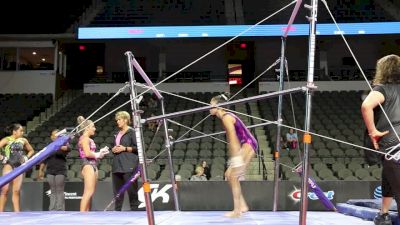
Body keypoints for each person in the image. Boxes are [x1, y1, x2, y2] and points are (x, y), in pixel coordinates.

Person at [361, 54, 400, 225]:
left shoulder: (383, 88)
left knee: (397, 185)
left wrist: (373, 131)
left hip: (393, 144)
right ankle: (383, 213)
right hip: (394, 147)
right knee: (388, 177)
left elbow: (366, 105)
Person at [210, 93, 258, 218]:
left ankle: (237, 211)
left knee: (233, 175)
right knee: (228, 175)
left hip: (248, 144)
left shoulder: (226, 117)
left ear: (218, 106)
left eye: (211, 105)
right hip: (246, 144)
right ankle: (242, 206)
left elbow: (233, 138)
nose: (209, 108)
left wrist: (235, 156)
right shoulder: (225, 117)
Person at [77, 116, 109, 212]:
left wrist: (100, 153)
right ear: (87, 128)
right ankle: (82, 215)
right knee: (88, 192)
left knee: (91, 192)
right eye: (93, 126)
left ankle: (87, 215)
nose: (95, 128)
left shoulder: (89, 139)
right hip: (87, 164)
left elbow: (93, 154)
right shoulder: (84, 138)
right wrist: (97, 154)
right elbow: (87, 154)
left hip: (93, 164)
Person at [0, 123, 35, 212]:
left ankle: (17, 214)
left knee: (16, 191)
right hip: (8, 166)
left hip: (19, 168)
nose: (22, 132)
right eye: (21, 130)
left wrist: (26, 157)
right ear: (14, 131)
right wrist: (2, 157)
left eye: (23, 131)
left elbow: (31, 150)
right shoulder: (6, 139)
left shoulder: (23, 140)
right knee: (5, 191)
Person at [111, 111, 139, 211]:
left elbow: (138, 148)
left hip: (129, 165)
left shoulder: (132, 132)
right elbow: (113, 147)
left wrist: (125, 148)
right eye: (117, 120)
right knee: (117, 193)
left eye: (119, 119)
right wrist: (113, 149)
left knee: (132, 191)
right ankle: (117, 211)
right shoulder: (116, 133)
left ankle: (135, 211)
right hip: (117, 166)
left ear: (126, 120)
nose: (117, 122)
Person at [38, 129, 70, 211]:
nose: (55, 136)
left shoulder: (64, 144)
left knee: (59, 190)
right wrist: (41, 170)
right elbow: (44, 159)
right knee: (52, 190)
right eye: (53, 135)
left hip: (60, 170)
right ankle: (51, 209)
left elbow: (67, 148)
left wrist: (58, 144)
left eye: (57, 135)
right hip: (50, 171)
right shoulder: (49, 146)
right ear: (51, 137)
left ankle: (60, 209)